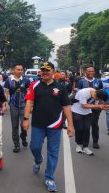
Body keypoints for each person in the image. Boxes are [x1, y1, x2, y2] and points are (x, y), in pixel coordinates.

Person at [23, 62, 74, 192]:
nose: (45, 72)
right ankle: (38, 159)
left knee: (53, 152)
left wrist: (70, 125)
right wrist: (26, 119)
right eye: (43, 70)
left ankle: (49, 177)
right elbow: (29, 101)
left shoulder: (61, 87)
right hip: (38, 124)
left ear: (53, 71)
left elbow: (66, 106)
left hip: (55, 125)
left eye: (47, 70)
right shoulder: (34, 85)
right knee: (34, 147)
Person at [71, 88, 109, 155]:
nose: (97, 100)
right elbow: (84, 106)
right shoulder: (84, 93)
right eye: (98, 99)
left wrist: (104, 106)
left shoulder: (97, 93)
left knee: (87, 129)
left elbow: (98, 104)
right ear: (95, 95)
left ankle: (85, 147)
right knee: (79, 129)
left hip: (87, 113)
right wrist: (98, 106)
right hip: (77, 112)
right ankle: (78, 145)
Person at [4, 64, 30, 153]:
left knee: (24, 125)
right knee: (14, 126)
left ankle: (23, 137)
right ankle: (16, 145)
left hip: (24, 105)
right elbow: (6, 93)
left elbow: (29, 94)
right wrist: (4, 104)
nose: (20, 71)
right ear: (13, 70)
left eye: (21, 69)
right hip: (13, 105)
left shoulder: (26, 81)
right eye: (18, 69)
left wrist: (31, 105)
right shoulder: (8, 81)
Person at [77, 65, 103, 149]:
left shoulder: (98, 81)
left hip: (95, 108)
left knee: (94, 124)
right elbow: (78, 94)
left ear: (94, 72)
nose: (91, 73)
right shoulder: (81, 81)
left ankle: (95, 141)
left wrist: (100, 105)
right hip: (84, 107)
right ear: (85, 72)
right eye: (89, 71)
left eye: (92, 71)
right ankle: (82, 142)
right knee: (85, 126)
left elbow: (101, 93)